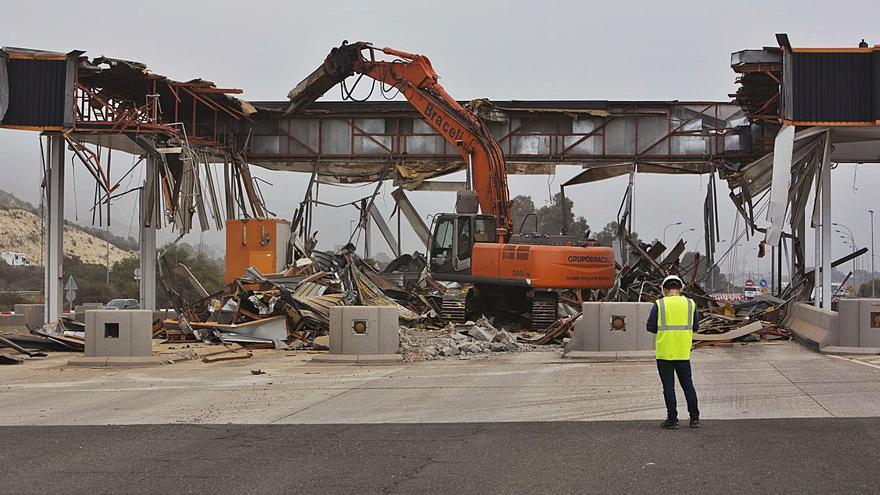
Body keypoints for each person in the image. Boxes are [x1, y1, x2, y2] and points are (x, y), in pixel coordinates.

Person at [646, 275, 700, 429]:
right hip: (683, 352)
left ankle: (672, 419)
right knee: (688, 385)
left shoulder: (659, 304)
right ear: (681, 288)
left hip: (665, 352)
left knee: (668, 387)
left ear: (664, 289)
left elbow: (650, 327)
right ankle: (694, 418)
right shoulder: (690, 304)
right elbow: (695, 327)